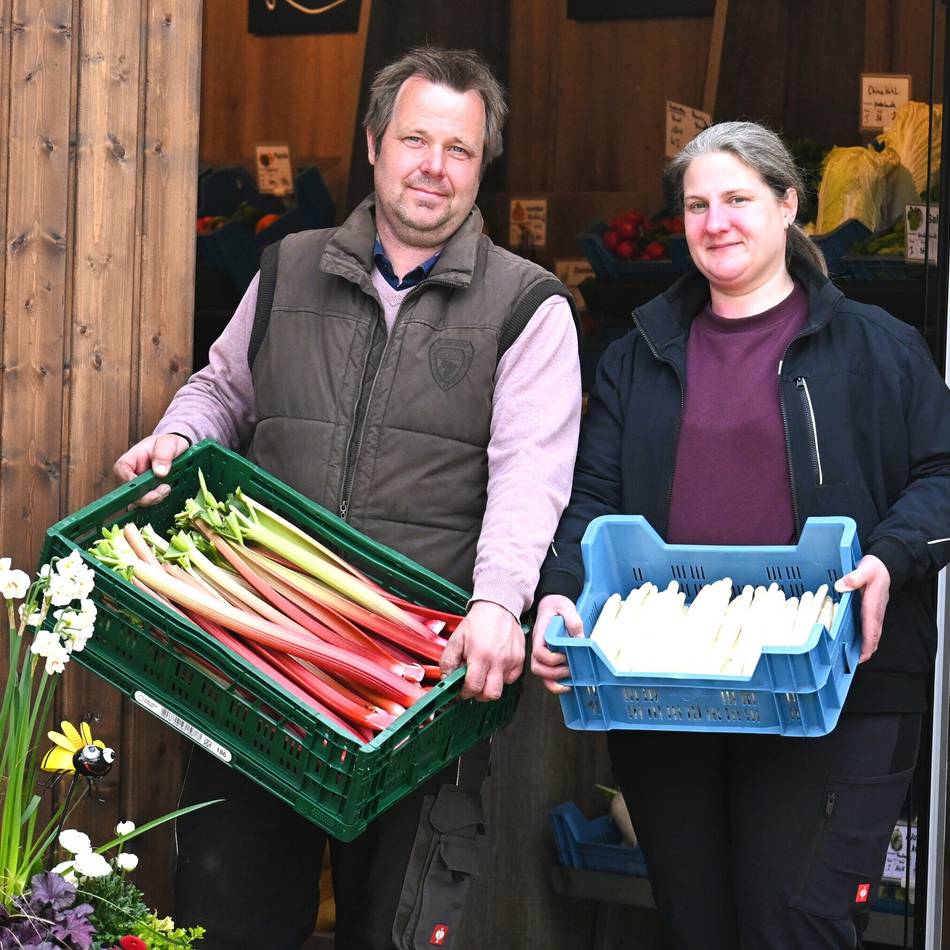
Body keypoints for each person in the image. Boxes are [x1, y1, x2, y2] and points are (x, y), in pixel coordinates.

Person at [113, 47, 581, 949]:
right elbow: (223, 390)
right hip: (262, 666)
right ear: (374, 143)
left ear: (482, 167)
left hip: (414, 682)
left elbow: (532, 475)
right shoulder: (287, 269)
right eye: (415, 139)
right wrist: (181, 433)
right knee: (228, 915)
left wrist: (496, 604)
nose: (434, 166)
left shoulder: (529, 307)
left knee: (394, 928)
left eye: (459, 148)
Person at [530, 120, 950, 950]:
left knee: (791, 921)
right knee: (698, 926)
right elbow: (593, 499)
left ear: (789, 207)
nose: (716, 221)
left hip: (834, 693)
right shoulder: (639, 354)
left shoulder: (877, 349)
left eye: (738, 200)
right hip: (670, 694)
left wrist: (888, 559)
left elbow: (941, 475)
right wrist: (557, 594)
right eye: (696, 205)